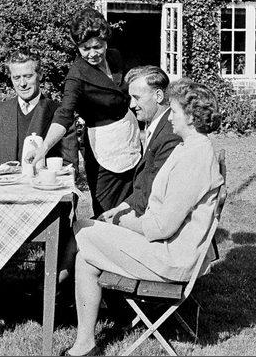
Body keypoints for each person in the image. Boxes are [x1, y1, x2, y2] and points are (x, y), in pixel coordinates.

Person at [62, 79, 224, 357]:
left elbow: (161, 227)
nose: (169, 117)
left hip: (172, 258)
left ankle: (55, 292)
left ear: (191, 117)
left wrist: (124, 222)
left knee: (85, 231)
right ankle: (84, 342)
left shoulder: (195, 156)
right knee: (86, 248)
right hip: (167, 247)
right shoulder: (190, 148)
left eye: (174, 111)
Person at [28, 8, 141, 217]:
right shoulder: (77, 75)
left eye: (97, 46)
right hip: (103, 146)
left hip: (130, 137)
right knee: (107, 209)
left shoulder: (115, 57)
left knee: (135, 202)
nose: (92, 53)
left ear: (105, 41)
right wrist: (44, 148)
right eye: (85, 48)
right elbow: (64, 114)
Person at [98, 66, 180, 224]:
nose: (131, 105)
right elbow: (145, 185)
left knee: (81, 231)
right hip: (145, 215)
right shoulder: (158, 126)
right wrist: (121, 207)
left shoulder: (170, 135)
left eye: (137, 98)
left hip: (154, 224)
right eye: (131, 98)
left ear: (158, 96)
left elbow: (155, 193)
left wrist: (119, 217)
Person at [0, 49, 75, 167]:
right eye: (16, 78)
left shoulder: (61, 114)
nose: (22, 83)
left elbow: (69, 167)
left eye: (28, 76)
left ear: (40, 75)